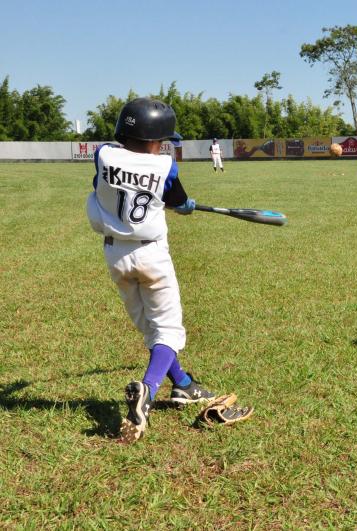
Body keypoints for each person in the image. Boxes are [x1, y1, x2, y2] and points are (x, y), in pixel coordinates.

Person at [86, 98, 216, 442]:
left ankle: (185, 385)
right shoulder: (165, 166)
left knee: (151, 329)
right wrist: (183, 205)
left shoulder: (103, 155)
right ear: (157, 139)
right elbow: (176, 198)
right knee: (169, 333)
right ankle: (147, 389)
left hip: (116, 256)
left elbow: (111, 178)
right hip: (151, 256)